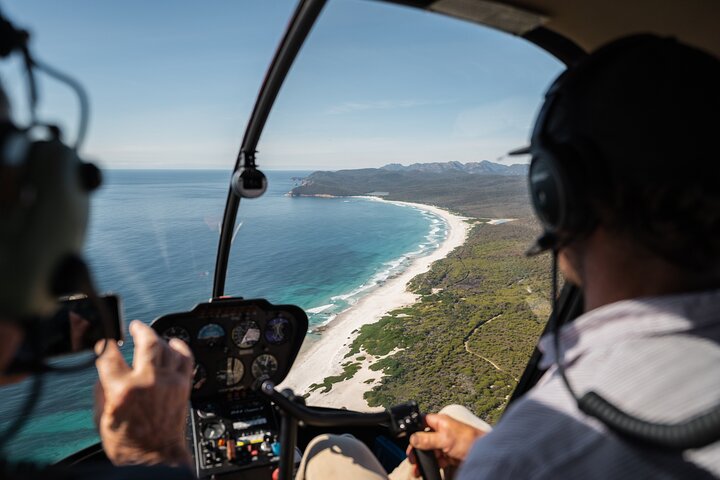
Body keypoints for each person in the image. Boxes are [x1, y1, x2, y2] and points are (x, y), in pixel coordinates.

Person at [297, 34, 720, 479]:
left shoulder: (536, 452)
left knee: (331, 448)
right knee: (457, 409)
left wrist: (498, 460)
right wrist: (485, 450)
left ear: (558, 196)